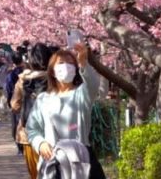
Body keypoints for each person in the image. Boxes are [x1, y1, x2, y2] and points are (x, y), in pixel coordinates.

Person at [25, 43, 106, 179]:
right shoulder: (43, 99)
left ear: (75, 70)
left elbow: (93, 84)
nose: (66, 67)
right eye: (61, 63)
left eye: (70, 63)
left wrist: (84, 63)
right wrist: (41, 143)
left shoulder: (81, 94)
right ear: (52, 71)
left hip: (81, 158)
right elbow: (32, 129)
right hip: (53, 159)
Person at [12, 43, 52, 178]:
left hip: (28, 135)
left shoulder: (23, 80)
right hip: (53, 133)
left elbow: (15, 105)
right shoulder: (57, 79)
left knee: (36, 174)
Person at [6, 53, 26, 154]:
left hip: (15, 101)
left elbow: (9, 89)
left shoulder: (11, 74)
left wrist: (9, 102)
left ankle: (19, 147)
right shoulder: (27, 72)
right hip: (27, 101)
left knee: (16, 124)